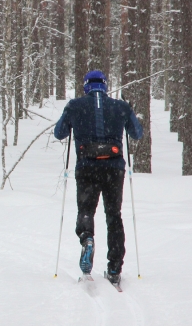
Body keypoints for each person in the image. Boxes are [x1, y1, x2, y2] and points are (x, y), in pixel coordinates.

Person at [54, 70, 143, 286]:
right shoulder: (120, 106)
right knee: (114, 215)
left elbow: (59, 133)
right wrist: (127, 111)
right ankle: (114, 268)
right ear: (105, 85)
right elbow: (137, 134)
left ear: (86, 86)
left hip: (87, 167)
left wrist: (73, 117)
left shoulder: (75, 105)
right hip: (114, 168)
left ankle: (87, 238)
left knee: (86, 210)